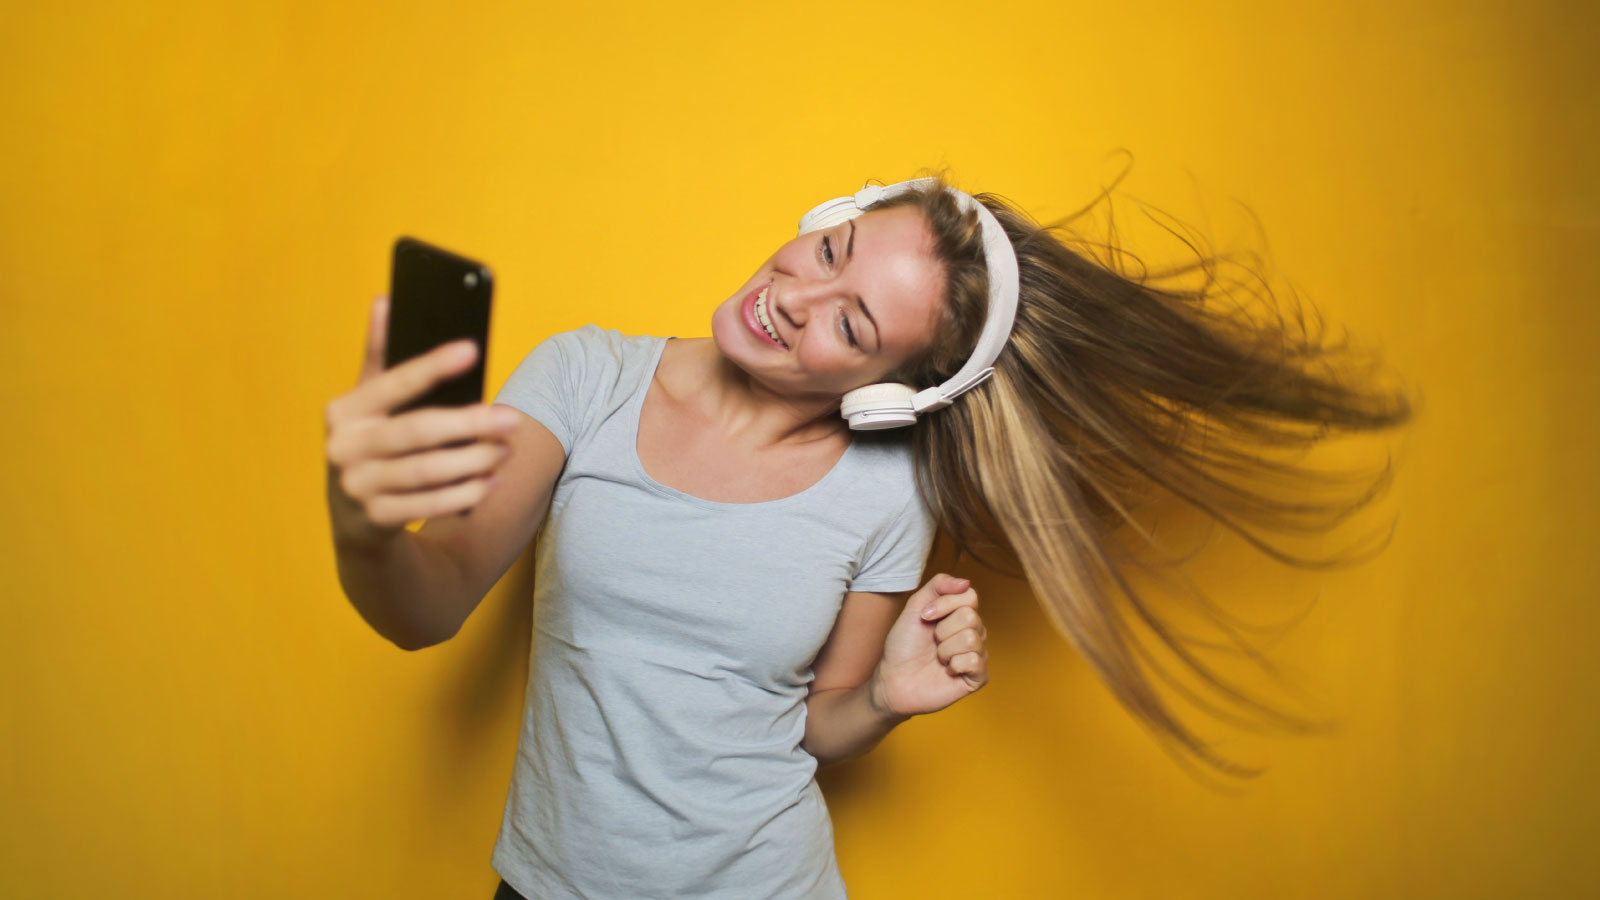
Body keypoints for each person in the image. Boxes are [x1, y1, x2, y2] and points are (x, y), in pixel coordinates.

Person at [324, 174, 1409, 898]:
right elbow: (429, 605)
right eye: (828, 248)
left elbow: (815, 724)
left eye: (852, 323)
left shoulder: (888, 491)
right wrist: (364, 525)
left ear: (890, 393)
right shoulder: (584, 375)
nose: (797, 295)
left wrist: (884, 699)